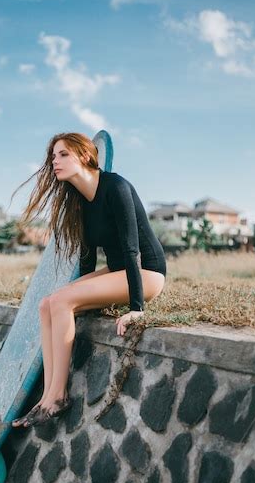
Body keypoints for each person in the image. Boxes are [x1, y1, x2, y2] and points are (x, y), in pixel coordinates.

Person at [11, 132, 166, 428]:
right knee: (48, 304)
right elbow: (86, 258)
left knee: (61, 300)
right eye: (53, 156)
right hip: (117, 272)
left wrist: (136, 307)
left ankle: (58, 397)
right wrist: (81, 297)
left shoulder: (115, 186)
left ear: (84, 155)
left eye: (63, 155)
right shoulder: (80, 201)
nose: (55, 161)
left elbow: (133, 249)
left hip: (147, 274)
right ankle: (47, 396)